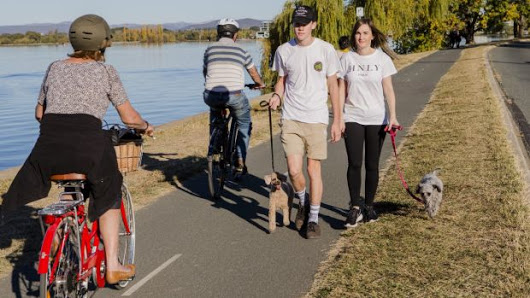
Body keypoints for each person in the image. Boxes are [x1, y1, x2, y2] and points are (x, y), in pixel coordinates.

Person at [0, 14, 154, 284]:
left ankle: (57, 238)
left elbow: (39, 113)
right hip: (89, 147)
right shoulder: (106, 71)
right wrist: (145, 126)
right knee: (109, 191)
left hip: (47, 149)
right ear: (103, 43)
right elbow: (129, 118)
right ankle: (114, 265)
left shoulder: (54, 67)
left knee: (71, 189)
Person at [269, 5, 342, 239]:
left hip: (317, 119)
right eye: (296, 23)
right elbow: (281, 80)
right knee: (293, 170)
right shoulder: (284, 50)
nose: (299, 28)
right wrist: (277, 95)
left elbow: (333, 86)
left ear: (313, 24)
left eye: (304, 23)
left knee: (313, 170)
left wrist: (337, 119)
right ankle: (303, 200)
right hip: (291, 117)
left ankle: (312, 219)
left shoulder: (326, 50)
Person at [338, 18, 399, 228]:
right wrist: (338, 118)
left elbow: (388, 89)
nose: (361, 37)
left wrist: (393, 116)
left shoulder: (382, 59)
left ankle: (370, 206)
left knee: (372, 165)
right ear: (354, 36)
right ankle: (355, 208)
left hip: (376, 118)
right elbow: (341, 90)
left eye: (365, 33)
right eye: (358, 33)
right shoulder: (347, 60)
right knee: (355, 163)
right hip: (353, 116)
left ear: (372, 36)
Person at [203, 18, 265, 176]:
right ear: (235, 35)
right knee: (244, 124)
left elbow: (206, 72)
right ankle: (239, 160)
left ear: (219, 33)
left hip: (211, 95)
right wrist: (259, 84)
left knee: (215, 116)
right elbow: (253, 72)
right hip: (234, 95)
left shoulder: (209, 49)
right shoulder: (241, 51)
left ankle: (215, 143)